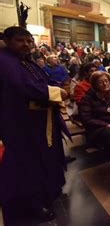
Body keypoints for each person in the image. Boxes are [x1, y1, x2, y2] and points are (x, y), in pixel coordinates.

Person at [0, 27, 69, 224]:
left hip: (40, 121)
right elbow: (22, 87)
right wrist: (58, 93)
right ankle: (32, 206)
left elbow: (43, 79)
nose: (27, 45)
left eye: (29, 40)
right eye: (20, 41)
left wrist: (56, 86)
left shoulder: (26, 61)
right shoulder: (5, 62)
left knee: (44, 159)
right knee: (27, 166)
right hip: (21, 125)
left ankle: (48, 192)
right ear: (7, 41)